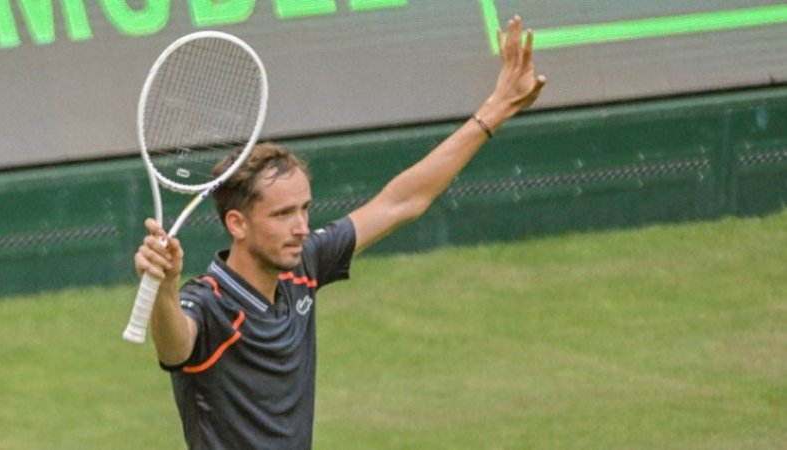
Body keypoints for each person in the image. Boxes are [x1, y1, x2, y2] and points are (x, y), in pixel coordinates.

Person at [134, 16, 546, 449]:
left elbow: (402, 201)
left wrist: (498, 107)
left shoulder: (302, 266)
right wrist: (165, 290)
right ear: (237, 223)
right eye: (282, 215)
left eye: (304, 209)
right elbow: (176, 347)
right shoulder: (209, 303)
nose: (301, 227)